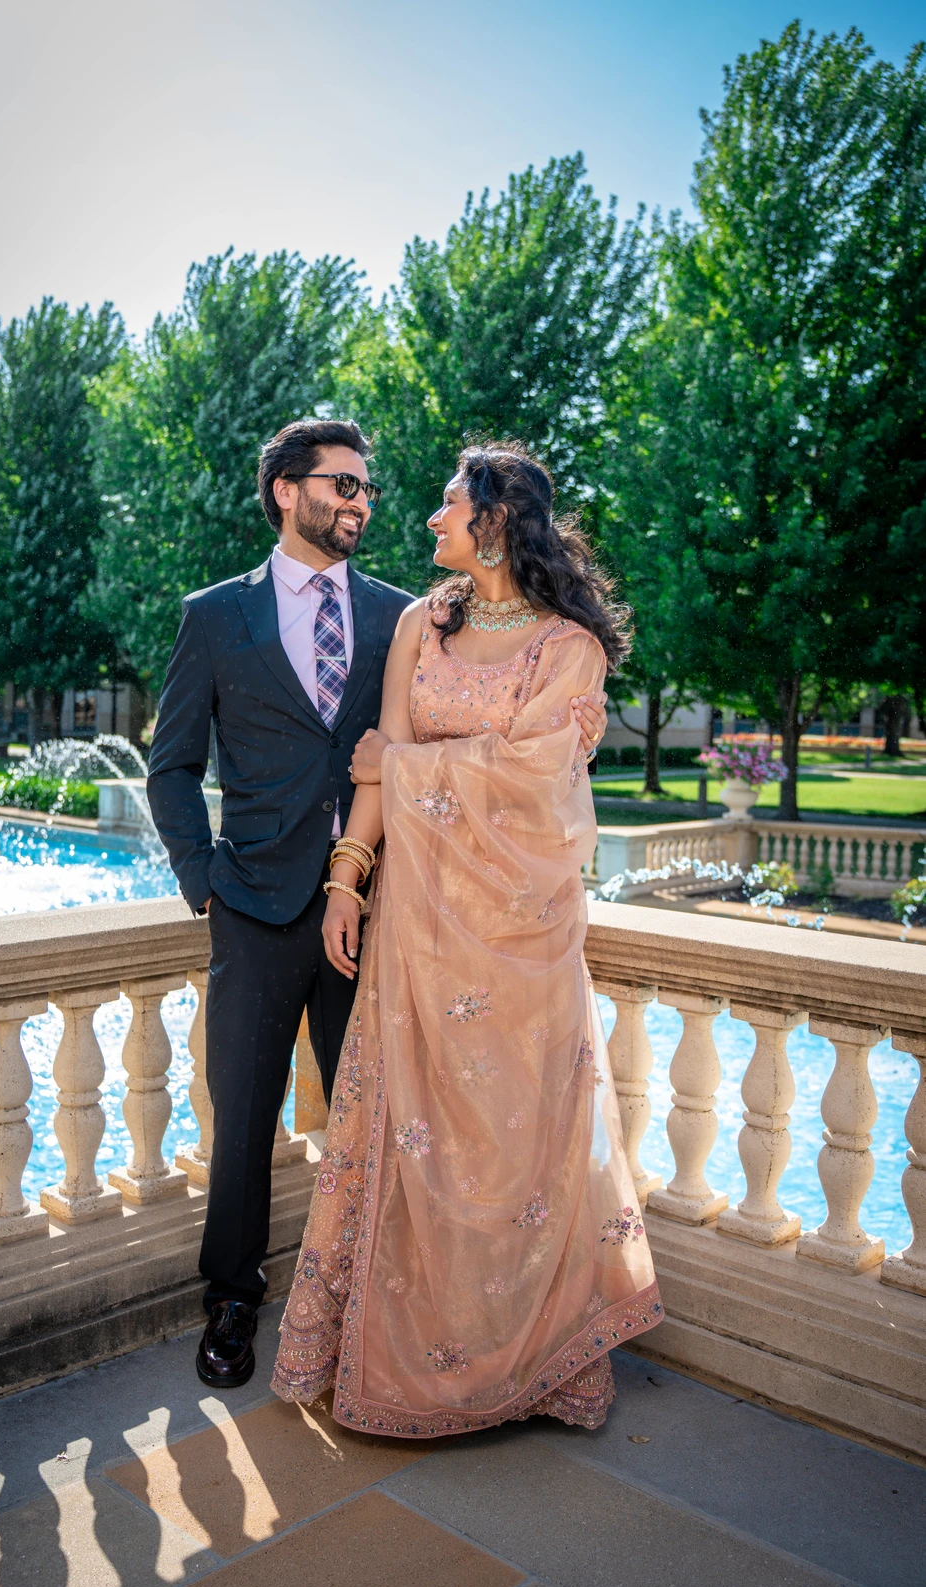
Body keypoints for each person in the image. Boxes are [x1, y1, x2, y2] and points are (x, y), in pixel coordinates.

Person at [147, 420, 609, 1391]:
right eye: (343, 485)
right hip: (255, 907)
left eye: (368, 488)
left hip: (387, 916)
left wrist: (354, 876)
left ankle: (374, 1306)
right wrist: (203, 880)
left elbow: (411, 755)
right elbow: (172, 764)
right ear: (287, 490)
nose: (362, 502)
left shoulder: (410, 615)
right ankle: (230, 1302)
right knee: (242, 1120)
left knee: (387, 1125)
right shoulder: (214, 616)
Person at [271, 441, 662, 1435]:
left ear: (493, 520)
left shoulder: (566, 647)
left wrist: (404, 765)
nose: (431, 518)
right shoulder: (422, 622)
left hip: (518, 933)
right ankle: (404, 1365)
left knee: (515, 1144)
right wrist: (347, 875)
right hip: (414, 920)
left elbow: (535, 781)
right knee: (414, 1136)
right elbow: (378, 766)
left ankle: (530, 1364)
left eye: (448, 503)